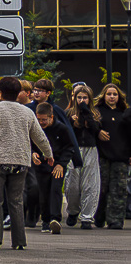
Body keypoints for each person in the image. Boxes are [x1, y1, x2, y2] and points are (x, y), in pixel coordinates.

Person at [0, 76, 53, 251]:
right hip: (20, 161)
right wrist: (48, 153)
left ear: (1, 92)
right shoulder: (27, 111)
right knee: (16, 200)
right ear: (19, 92)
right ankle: (19, 241)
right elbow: (39, 135)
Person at [31, 99, 80, 235]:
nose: (41, 123)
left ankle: (55, 219)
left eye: (44, 120)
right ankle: (45, 219)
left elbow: (69, 147)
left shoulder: (61, 129)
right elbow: (29, 145)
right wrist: (32, 154)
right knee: (43, 192)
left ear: (51, 117)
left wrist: (61, 164)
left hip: (57, 165)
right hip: (41, 165)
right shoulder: (34, 129)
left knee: (56, 190)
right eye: (38, 119)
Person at [93, 84, 131, 230]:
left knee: (119, 189)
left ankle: (115, 220)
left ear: (119, 97)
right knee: (102, 188)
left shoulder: (125, 114)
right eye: (109, 94)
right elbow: (90, 128)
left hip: (121, 156)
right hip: (102, 156)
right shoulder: (98, 113)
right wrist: (98, 132)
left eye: (115, 94)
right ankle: (99, 217)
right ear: (104, 96)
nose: (112, 97)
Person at [65, 83, 101, 230]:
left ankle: (87, 217)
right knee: (72, 184)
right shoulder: (68, 113)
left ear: (90, 99)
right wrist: (75, 121)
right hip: (74, 149)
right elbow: (67, 131)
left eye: (85, 97)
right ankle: (73, 211)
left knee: (90, 184)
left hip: (91, 149)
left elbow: (95, 129)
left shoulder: (95, 113)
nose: (82, 100)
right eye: (79, 97)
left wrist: (86, 114)